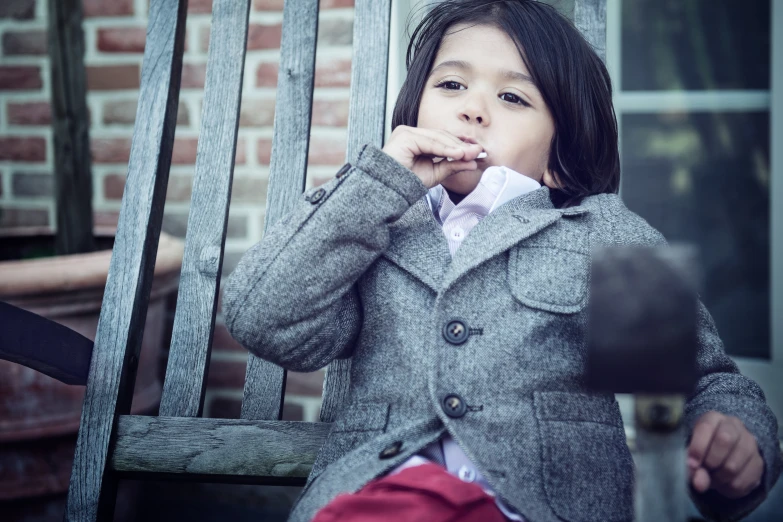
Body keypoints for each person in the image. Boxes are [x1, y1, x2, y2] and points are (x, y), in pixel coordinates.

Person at [222, 1, 782, 521]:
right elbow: (265, 319)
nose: (472, 108)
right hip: (380, 494)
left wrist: (735, 441)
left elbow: (703, 382)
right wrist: (376, 188)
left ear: (560, 158)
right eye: (451, 84)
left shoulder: (599, 234)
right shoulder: (374, 224)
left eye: (513, 97)